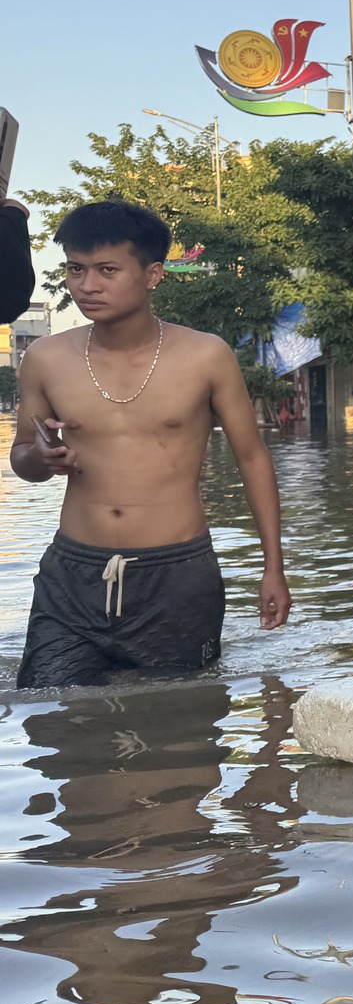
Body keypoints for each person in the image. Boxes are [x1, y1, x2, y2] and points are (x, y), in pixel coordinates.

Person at [9, 200, 291, 687]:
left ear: (153, 274)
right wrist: (40, 457)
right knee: (54, 722)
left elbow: (252, 457)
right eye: (76, 269)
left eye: (107, 270)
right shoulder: (45, 359)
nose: (87, 285)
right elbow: (23, 458)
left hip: (176, 572)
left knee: (181, 730)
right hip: (74, 572)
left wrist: (273, 568)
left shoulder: (206, 356)